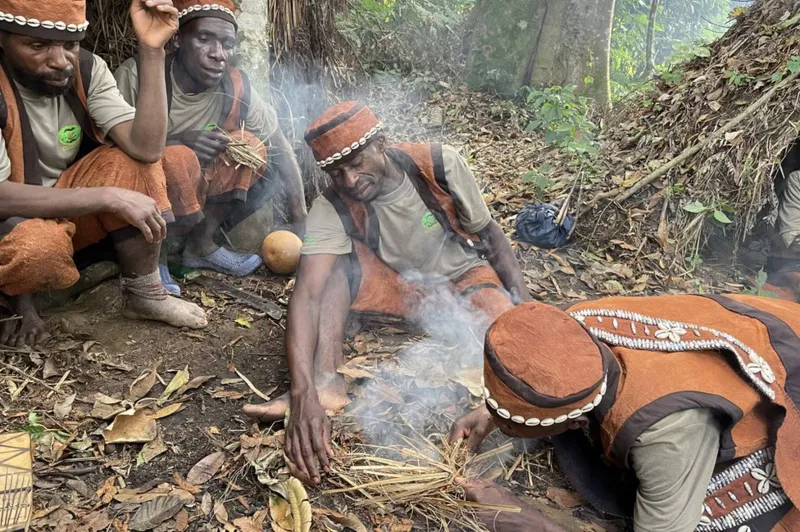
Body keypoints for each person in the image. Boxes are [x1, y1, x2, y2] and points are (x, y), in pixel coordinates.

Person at [243, 101, 530, 484]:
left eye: (357, 162)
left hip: (464, 274)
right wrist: (302, 392)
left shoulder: (438, 165)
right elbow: (307, 295)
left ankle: (495, 397)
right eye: (336, 171)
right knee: (329, 270)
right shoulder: (332, 203)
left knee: (509, 331)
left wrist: (525, 309)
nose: (349, 180)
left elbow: (492, 238)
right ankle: (328, 382)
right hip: (399, 284)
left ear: (381, 143)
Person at [448, 296, 800, 532]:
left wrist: (524, 518)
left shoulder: (666, 434)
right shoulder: (571, 326)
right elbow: (536, 363)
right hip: (758, 330)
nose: (499, 420)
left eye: (510, 422)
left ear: (576, 422)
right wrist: (493, 409)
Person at [0, 0, 208, 347]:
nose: (59, 60)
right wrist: (107, 196)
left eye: (70, 45)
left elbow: (147, 148)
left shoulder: (86, 70)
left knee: (137, 162)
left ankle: (144, 292)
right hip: (11, 216)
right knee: (38, 249)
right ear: (3, 39)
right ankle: (16, 301)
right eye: (37, 45)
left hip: (58, 204)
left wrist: (152, 51)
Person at [114, 0, 307, 295]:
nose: (218, 54)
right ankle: (155, 260)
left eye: (227, 44)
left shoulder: (235, 86)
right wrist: (179, 141)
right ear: (177, 39)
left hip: (199, 188)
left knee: (249, 146)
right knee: (176, 157)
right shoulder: (137, 76)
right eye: (204, 39)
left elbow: (278, 144)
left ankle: (201, 245)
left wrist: (301, 217)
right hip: (145, 190)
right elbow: (110, 152)